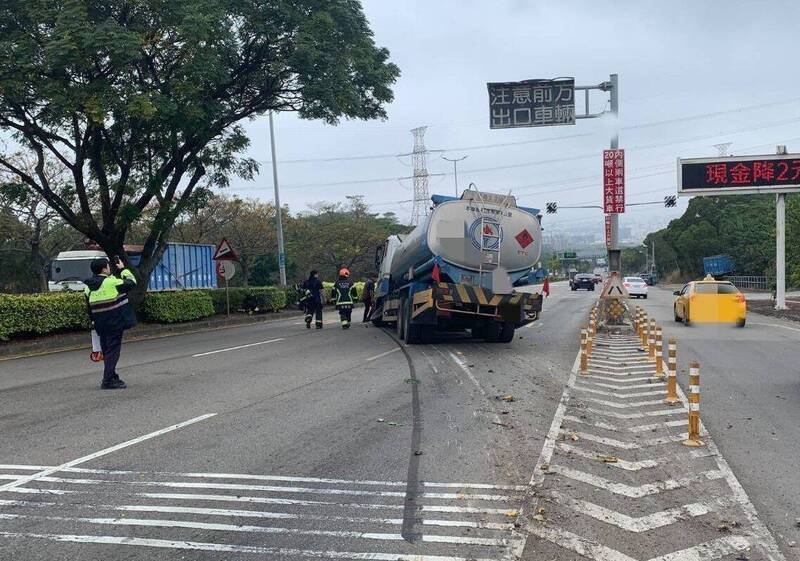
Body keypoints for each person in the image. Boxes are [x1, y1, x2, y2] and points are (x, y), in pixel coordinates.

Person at [84, 256, 137, 389]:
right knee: (113, 351)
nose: (109, 268)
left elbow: (89, 308)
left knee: (107, 351)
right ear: (104, 269)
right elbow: (132, 282)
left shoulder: (88, 288)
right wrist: (123, 269)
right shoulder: (111, 283)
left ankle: (112, 375)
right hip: (114, 322)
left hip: (100, 325)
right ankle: (107, 380)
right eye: (108, 266)